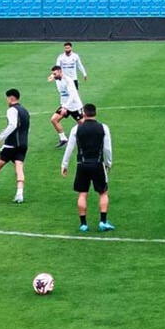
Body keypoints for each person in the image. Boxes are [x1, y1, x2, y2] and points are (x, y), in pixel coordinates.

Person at [61, 103, 114, 233]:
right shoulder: (103, 128)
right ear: (96, 113)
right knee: (103, 193)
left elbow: (70, 148)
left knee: (82, 194)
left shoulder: (76, 129)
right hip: (97, 164)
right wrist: (108, 163)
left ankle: (83, 224)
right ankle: (103, 222)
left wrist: (64, 164)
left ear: (83, 113)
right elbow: (107, 148)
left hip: (82, 165)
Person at [48, 65, 83, 148]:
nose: (54, 75)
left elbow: (72, 95)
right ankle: (63, 139)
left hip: (75, 106)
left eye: (55, 74)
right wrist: (52, 76)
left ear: (60, 72)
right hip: (65, 106)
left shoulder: (68, 80)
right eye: (53, 74)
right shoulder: (57, 80)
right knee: (54, 119)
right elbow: (62, 94)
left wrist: (65, 107)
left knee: (83, 124)